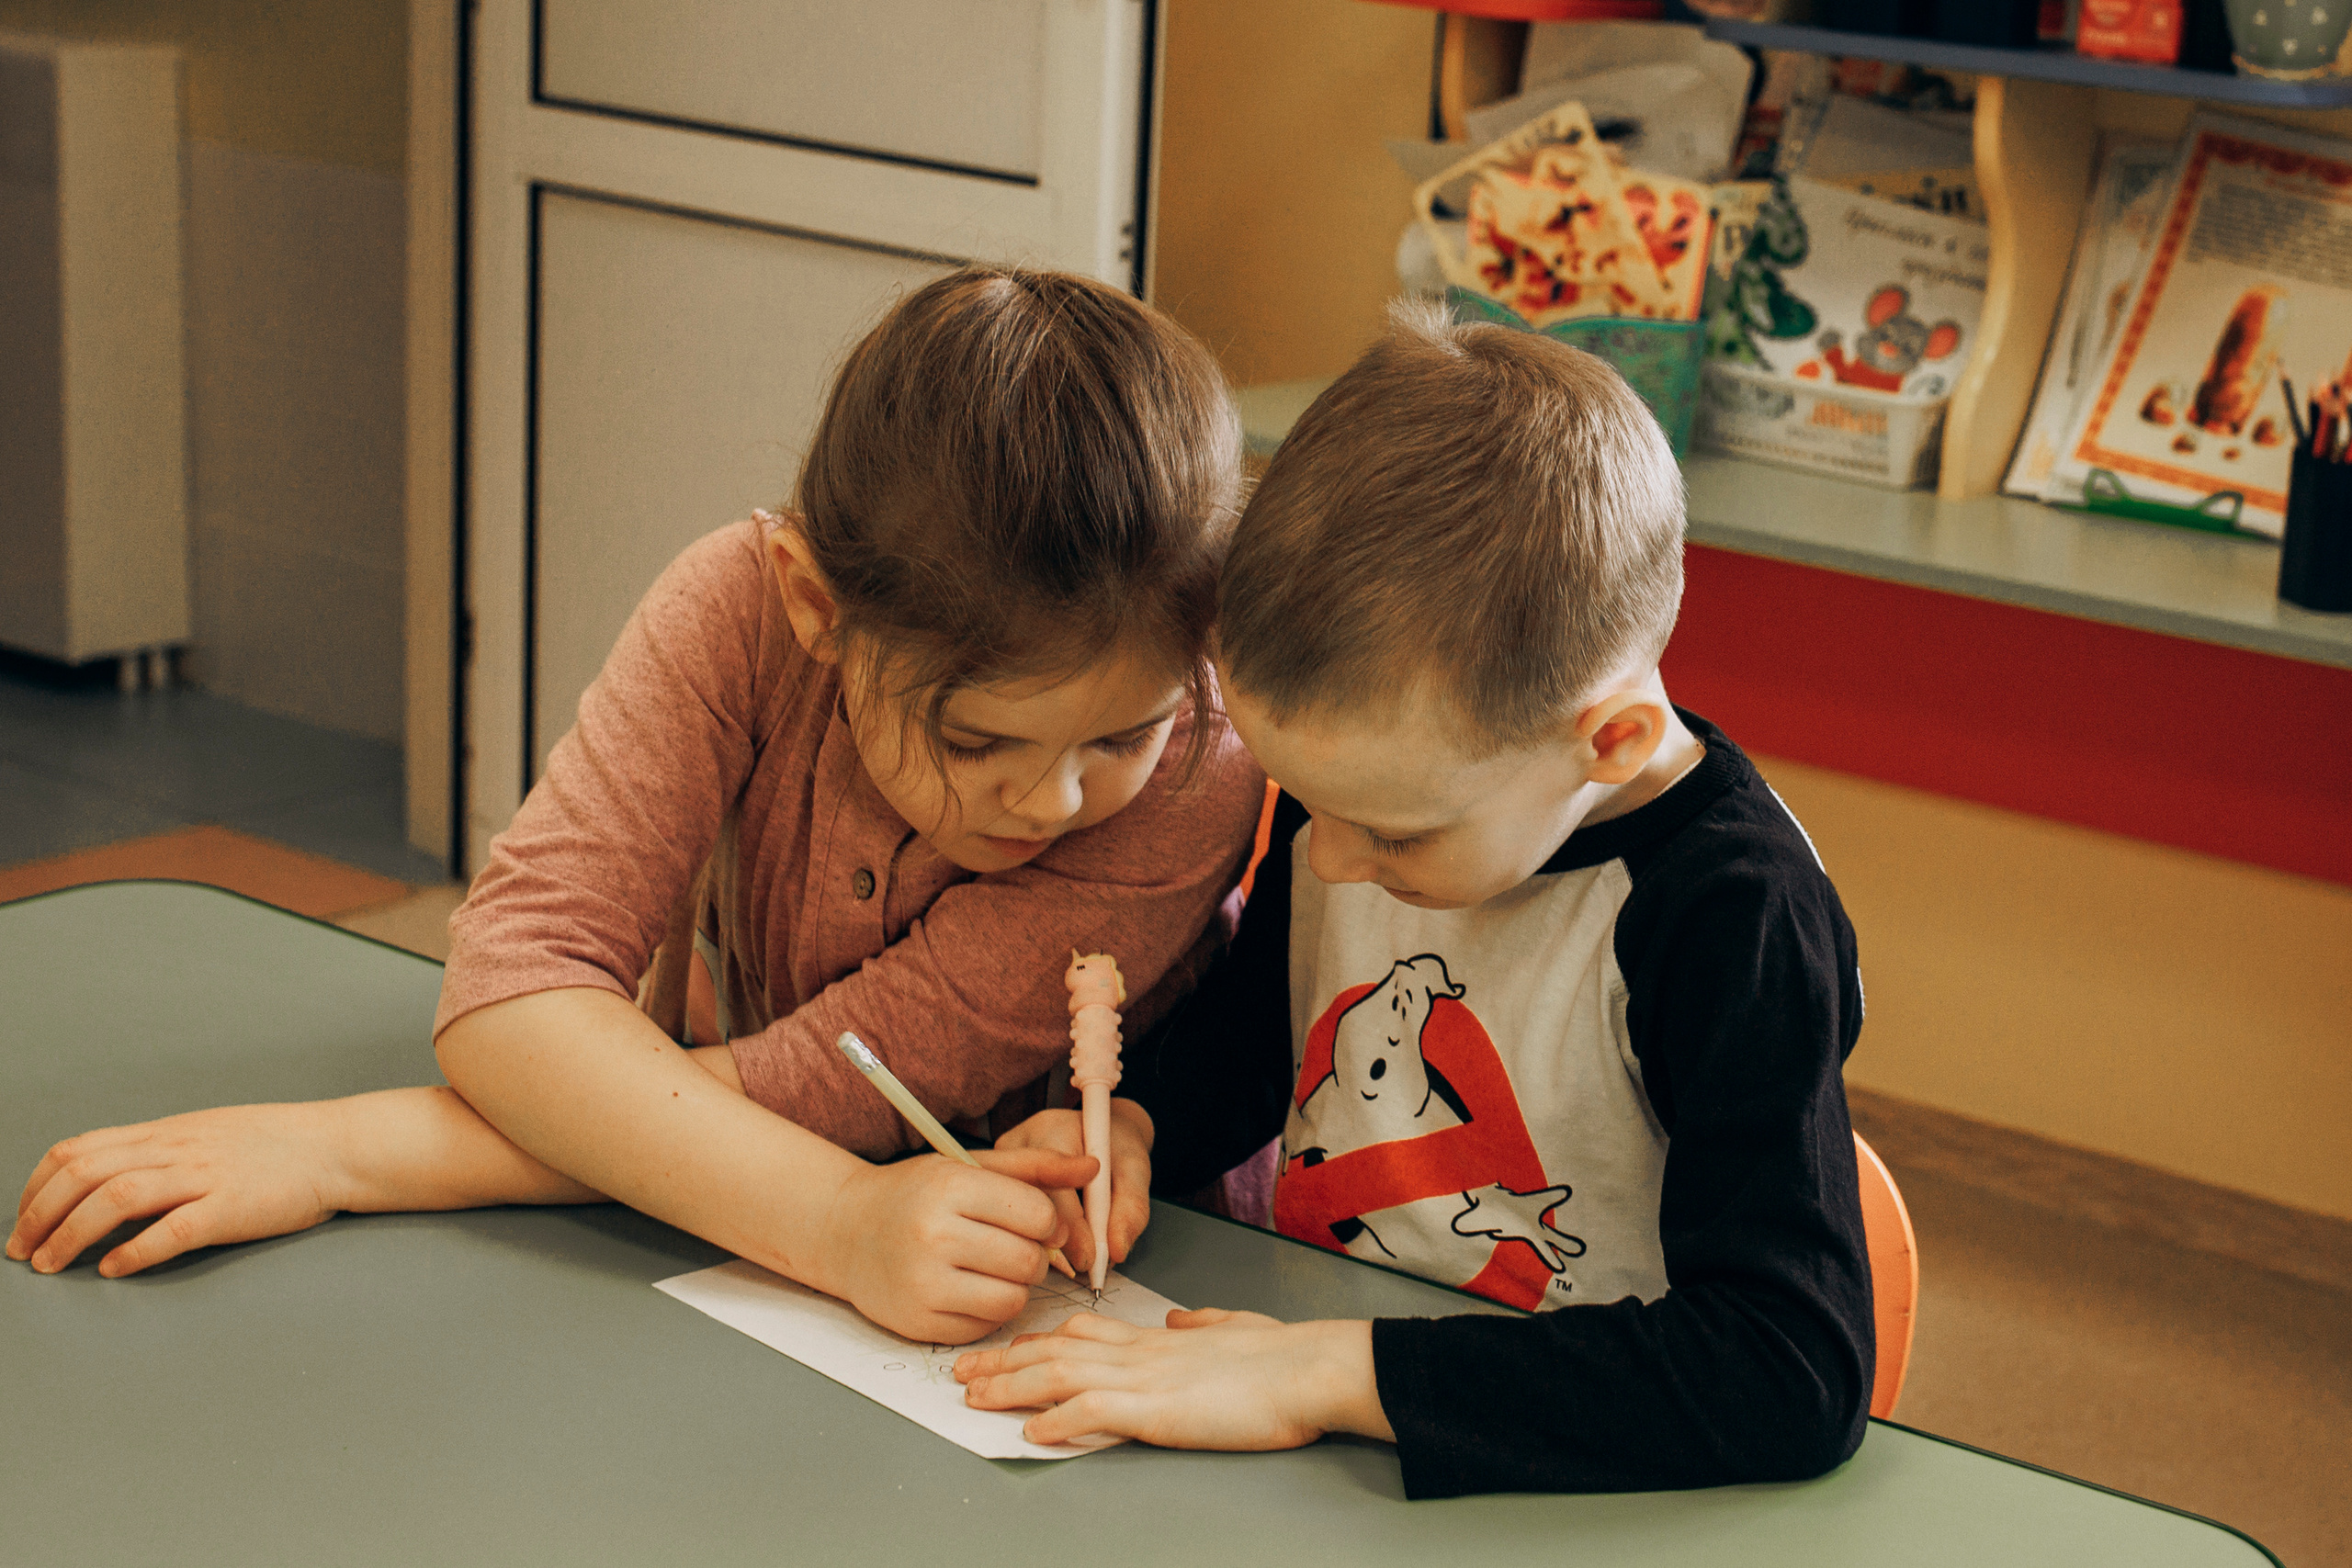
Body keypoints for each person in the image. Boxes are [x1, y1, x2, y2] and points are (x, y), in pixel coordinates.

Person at [7, 267, 1261, 1346]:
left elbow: (825, 1089)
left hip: (1168, 1255)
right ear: (816, 605)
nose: (1054, 796)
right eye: (974, 736)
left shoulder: (1208, 755)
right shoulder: (737, 607)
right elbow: (515, 992)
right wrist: (834, 1215)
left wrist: (357, 1152)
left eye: (1121, 735)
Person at [960, 301, 1875, 1495]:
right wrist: (1138, 1124)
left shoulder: (1731, 917)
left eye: (1388, 832)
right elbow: (1267, 1027)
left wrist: (1335, 1377)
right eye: (1302, 800)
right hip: (1333, 1413)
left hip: (1580, 1470)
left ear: (1611, 741)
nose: (1325, 861)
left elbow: (1787, 1370)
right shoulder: (1386, 785)